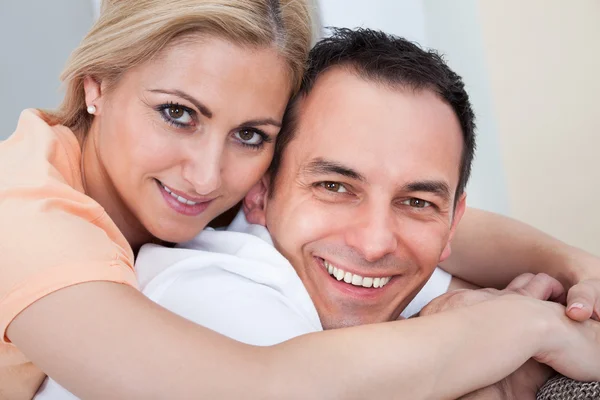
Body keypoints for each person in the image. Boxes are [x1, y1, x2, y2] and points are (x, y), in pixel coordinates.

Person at [1, 1, 599, 398]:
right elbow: (256, 389)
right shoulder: (24, 219)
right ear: (96, 84)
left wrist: (577, 268)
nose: (209, 174)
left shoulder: (212, 188)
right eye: (176, 114)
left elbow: (403, 219)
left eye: (252, 134)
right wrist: (519, 332)